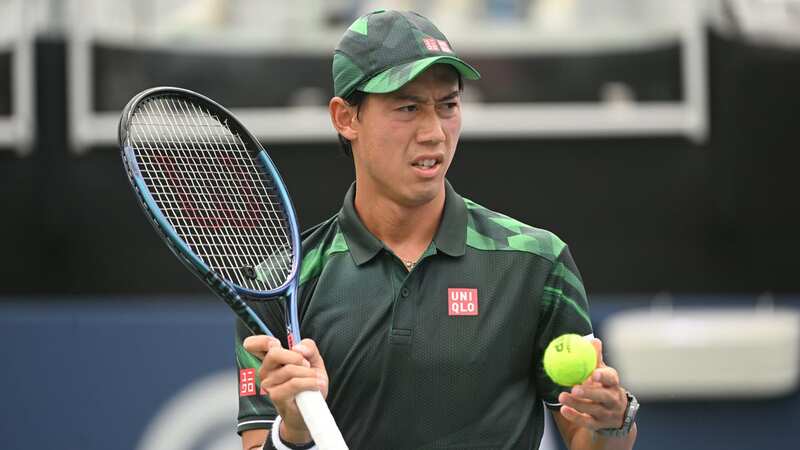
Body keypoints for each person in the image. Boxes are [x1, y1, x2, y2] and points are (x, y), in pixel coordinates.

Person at [236, 9, 638, 450]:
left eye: (447, 105)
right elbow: (258, 443)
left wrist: (610, 422)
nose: (434, 133)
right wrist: (293, 432)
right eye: (407, 108)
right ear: (346, 117)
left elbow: (591, 438)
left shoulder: (537, 262)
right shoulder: (280, 284)